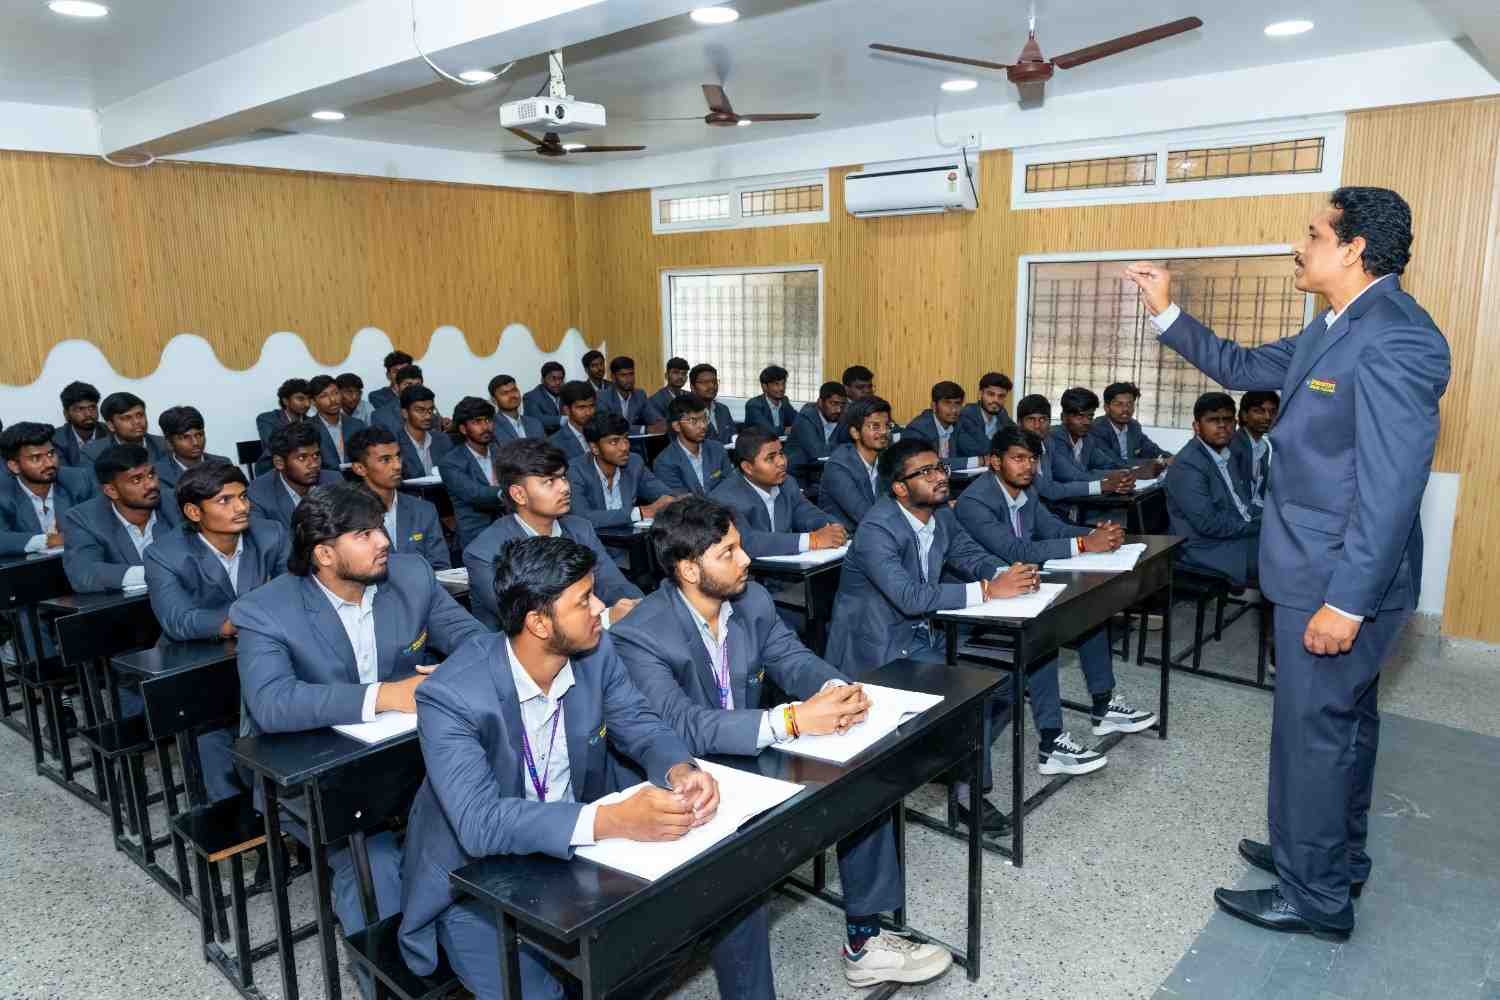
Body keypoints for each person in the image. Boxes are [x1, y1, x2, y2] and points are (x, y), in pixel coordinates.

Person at [1125, 185, 1450, 940]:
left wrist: (1348, 601)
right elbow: (1241, 364)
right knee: (1341, 727)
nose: (1296, 247)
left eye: (1312, 234)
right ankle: (1328, 856)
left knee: (1313, 736)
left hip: (1337, 580)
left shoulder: (1397, 336)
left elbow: (1392, 487)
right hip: (1316, 567)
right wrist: (1167, 310)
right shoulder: (1335, 324)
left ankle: (1316, 897)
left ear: (1353, 248)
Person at [612, 498, 955, 989]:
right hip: (687, 773)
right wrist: (791, 720)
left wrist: (836, 688)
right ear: (688, 569)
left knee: (863, 781)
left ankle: (866, 940)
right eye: (728, 552)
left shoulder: (751, 599)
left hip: (754, 746)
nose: (746, 559)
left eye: (740, 545)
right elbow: (679, 726)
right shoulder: (641, 634)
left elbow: (791, 658)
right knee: (739, 879)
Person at [397, 536, 717, 1000]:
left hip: (569, 856)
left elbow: (640, 724)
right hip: (475, 881)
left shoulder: (595, 653)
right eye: (584, 600)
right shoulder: (451, 695)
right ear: (539, 622)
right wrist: (612, 820)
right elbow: (479, 824)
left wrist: (679, 769)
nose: (601, 607)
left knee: (671, 937)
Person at [231, 482, 485, 976]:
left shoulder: (410, 576)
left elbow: (474, 641)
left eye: (380, 528)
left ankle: (471, 959)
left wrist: (455, 672)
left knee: (470, 836)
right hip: (318, 775)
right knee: (374, 867)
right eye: (364, 534)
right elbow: (272, 704)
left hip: (409, 761)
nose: (383, 541)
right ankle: (389, 980)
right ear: (324, 554)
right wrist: (386, 695)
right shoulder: (265, 609)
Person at [823, 438, 1018, 831]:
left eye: (940, 468)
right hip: (878, 649)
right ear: (899, 487)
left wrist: (1006, 574)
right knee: (972, 695)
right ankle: (966, 792)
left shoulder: (939, 514)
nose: (939, 477)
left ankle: (949, 758)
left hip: (923, 636)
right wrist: (987, 591)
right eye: (925, 472)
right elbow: (909, 597)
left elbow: (968, 555)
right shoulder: (877, 528)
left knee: (1007, 686)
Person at [954, 425, 1155, 766]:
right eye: (1018, 458)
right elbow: (1015, 550)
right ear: (995, 461)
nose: (1028, 467)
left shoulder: (1026, 490)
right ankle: (1051, 745)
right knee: (1043, 637)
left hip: (1024, 587)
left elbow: (1053, 529)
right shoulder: (975, 501)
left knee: (1088, 613)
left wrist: (1098, 535)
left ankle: (1103, 706)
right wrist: (1083, 544)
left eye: (1033, 459)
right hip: (981, 602)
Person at [145, 463, 287, 804]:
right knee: (209, 734)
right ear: (194, 512)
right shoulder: (165, 554)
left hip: (265, 652)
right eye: (225, 500)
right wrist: (247, 615)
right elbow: (179, 620)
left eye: (243, 496)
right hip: (199, 662)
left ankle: (277, 808)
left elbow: (298, 594)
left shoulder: (270, 534)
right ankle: (233, 810)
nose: (241, 507)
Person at [463, 439, 642, 631]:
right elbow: (532, 620)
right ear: (519, 495)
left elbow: (613, 585)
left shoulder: (580, 528)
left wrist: (640, 608)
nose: (565, 488)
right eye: (549, 481)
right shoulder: (484, 552)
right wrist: (607, 618)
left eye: (563, 477)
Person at [1164, 393, 1261, 588]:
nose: (1222, 426)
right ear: (1196, 426)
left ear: (1235, 424)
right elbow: (1209, 524)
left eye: (1227, 420)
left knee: (1293, 544)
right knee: (1287, 559)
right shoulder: (1188, 465)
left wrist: (1270, 520)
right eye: (1213, 420)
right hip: (1204, 547)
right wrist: (1259, 527)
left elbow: (1241, 504)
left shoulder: (1226, 453)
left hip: (1232, 536)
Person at [62, 444, 180, 593]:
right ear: (111, 490)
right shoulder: (84, 518)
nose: (151, 484)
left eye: (151, 475)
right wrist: (155, 573)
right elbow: (84, 574)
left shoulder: (176, 503)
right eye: (137, 480)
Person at [713, 426, 846, 558]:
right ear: (748, 467)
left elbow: (806, 512)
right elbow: (747, 542)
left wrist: (831, 527)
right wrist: (812, 540)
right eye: (770, 458)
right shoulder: (725, 498)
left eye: (781, 454)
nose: (781, 462)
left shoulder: (787, 483)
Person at [347, 426, 450, 570]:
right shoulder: (347, 515)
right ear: (360, 468)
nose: (397, 465)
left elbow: (441, 568)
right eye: (385, 460)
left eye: (398, 456)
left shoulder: (423, 510)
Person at [1, 421, 96, 556]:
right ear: (14, 466)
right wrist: (50, 540)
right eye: (36, 458)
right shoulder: (3, 493)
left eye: (51, 454)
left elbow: (103, 524)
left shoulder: (79, 480)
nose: (49, 463)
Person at [1017, 394, 1133, 503]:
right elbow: (1049, 490)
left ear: (1049, 422)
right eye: (1031, 419)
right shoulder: (1016, 451)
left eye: (1043, 419)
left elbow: (1071, 473)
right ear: (1019, 423)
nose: (1037, 426)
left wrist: (1120, 476)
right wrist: (1102, 485)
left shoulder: (1047, 443)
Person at [565, 413, 675, 529]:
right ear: (594, 448)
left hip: (630, 537)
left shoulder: (634, 463)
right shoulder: (575, 470)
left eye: (626, 438)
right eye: (614, 442)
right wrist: (639, 512)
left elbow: (664, 494)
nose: (625, 447)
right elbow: (581, 517)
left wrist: (669, 500)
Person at [246, 422, 342, 531]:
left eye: (316, 455)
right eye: (302, 458)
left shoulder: (334, 480)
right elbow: (265, 538)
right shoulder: (259, 493)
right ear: (279, 463)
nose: (314, 464)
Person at [440, 397, 508, 548]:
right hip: (476, 536)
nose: (485, 427)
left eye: (488, 420)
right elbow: (475, 494)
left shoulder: (503, 452)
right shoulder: (450, 462)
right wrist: (509, 492)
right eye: (477, 422)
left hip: (510, 529)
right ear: (463, 429)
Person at [818, 396, 891, 531]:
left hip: (877, 532)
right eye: (875, 426)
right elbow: (863, 514)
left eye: (887, 425)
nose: (884, 432)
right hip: (846, 538)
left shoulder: (886, 459)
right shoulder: (838, 467)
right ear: (855, 433)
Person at [653, 394, 735, 497]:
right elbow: (680, 502)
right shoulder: (664, 462)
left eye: (705, 419)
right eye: (693, 421)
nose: (703, 426)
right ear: (677, 426)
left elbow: (730, 485)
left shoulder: (717, 449)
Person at [1087, 382, 1171, 470]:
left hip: (1133, 473)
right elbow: (1114, 462)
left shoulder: (1133, 426)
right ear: (1106, 408)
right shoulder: (1096, 429)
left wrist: (1174, 459)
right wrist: (1159, 462)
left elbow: (1152, 450)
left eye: (1130, 404)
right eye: (1119, 404)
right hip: (1106, 475)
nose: (1126, 409)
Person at [902, 381, 983, 468]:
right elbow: (928, 464)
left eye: (957, 403)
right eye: (947, 403)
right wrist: (976, 461)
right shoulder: (918, 429)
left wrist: (967, 421)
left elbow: (980, 449)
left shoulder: (957, 425)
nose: (954, 410)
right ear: (934, 406)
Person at [81, 392, 170, 465]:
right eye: (127, 418)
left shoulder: (165, 446)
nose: (137, 422)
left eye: (140, 415)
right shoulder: (93, 453)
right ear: (111, 426)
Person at [154, 405, 231, 489]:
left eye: (199, 435)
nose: (195, 442)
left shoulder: (223, 464)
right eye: (185, 437)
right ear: (169, 443)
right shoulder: (159, 473)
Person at [784, 381, 848, 470]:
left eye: (843, 405)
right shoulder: (805, 418)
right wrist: (845, 448)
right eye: (834, 404)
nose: (839, 410)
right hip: (798, 471)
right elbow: (818, 453)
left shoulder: (842, 418)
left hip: (825, 470)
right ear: (820, 402)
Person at [1232, 390, 1279, 507]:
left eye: (1273, 412)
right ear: (1244, 415)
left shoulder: (1264, 446)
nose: (1268, 417)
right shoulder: (1233, 444)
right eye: (1259, 411)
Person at [308, 373, 365, 469]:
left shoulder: (357, 425)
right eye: (324, 396)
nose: (333, 400)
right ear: (313, 402)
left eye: (335, 393)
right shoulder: (308, 429)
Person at [396, 385, 452, 478]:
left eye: (430, 410)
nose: (428, 416)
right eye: (420, 410)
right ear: (405, 413)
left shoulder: (443, 440)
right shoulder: (395, 443)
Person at [956, 372, 1014, 457]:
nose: (996, 400)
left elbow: (1017, 438)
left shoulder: (1002, 414)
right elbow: (980, 450)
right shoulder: (967, 414)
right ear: (980, 394)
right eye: (991, 394)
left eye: (1001, 396)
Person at [53, 381, 108, 466]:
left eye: (92, 407)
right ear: (66, 414)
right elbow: (64, 471)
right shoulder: (56, 439)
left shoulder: (110, 433)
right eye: (80, 409)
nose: (88, 414)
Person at [255, 378, 312, 455]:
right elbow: (274, 447)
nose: (307, 404)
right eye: (300, 399)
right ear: (285, 401)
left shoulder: (312, 422)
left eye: (309, 399)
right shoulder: (267, 419)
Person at [596, 355, 653, 429]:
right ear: (613, 377)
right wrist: (643, 429)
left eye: (631, 374)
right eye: (623, 375)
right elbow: (611, 427)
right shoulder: (602, 397)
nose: (629, 379)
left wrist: (660, 424)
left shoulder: (640, 395)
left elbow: (653, 417)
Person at [547, 380, 597, 461]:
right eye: (581, 407)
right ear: (567, 410)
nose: (588, 412)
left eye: (591, 406)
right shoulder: (554, 444)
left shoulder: (604, 432)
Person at [487, 374, 545, 443]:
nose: (512, 395)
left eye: (514, 390)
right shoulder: (491, 427)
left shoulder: (535, 423)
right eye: (505, 393)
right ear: (494, 400)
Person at [688, 363, 737, 446]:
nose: (711, 386)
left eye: (714, 382)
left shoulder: (723, 409)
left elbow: (733, 434)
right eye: (705, 382)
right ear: (692, 387)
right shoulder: (687, 412)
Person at [370, 365, 426, 434]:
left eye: (417, 385)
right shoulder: (380, 416)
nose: (414, 389)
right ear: (397, 387)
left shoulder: (431, 415)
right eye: (408, 385)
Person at [743, 365, 797, 434]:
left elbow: (799, 421)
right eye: (776, 384)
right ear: (764, 386)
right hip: (759, 440)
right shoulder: (753, 405)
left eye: (783, 383)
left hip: (780, 440)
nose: (781, 388)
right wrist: (786, 430)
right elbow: (768, 431)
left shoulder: (784, 401)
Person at [523, 361, 566, 434]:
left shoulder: (565, 394)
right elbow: (537, 419)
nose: (558, 382)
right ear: (542, 380)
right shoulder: (531, 397)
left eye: (561, 379)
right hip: (544, 438)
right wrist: (563, 419)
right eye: (553, 379)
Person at [646, 356, 690, 424]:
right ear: (666, 375)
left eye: (684, 373)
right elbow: (660, 425)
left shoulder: (690, 396)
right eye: (676, 372)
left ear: (687, 378)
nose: (680, 376)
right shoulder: (654, 401)